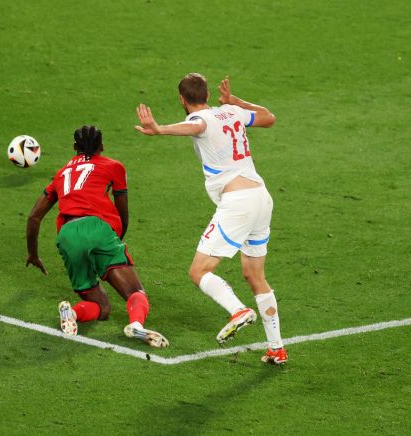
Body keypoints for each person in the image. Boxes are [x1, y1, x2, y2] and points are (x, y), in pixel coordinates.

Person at [134, 73, 287, 364]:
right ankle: (276, 348)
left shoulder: (199, 120)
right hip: (261, 198)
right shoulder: (231, 111)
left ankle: (239, 310)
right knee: (255, 276)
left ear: (182, 99)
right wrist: (234, 100)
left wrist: (160, 128)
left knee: (198, 271)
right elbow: (268, 117)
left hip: (238, 203)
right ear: (206, 94)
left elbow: (197, 125)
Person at [25, 125, 168, 349]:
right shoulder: (114, 167)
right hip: (99, 229)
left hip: (68, 235)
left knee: (101, 307)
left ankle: (71, 312)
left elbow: (34, 217)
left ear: (74, 147)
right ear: (102, 146)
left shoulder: (61, 174)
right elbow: (123, 211)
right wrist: (116, 238)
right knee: (134, 292)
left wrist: (33, 254)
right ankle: (137, 325)